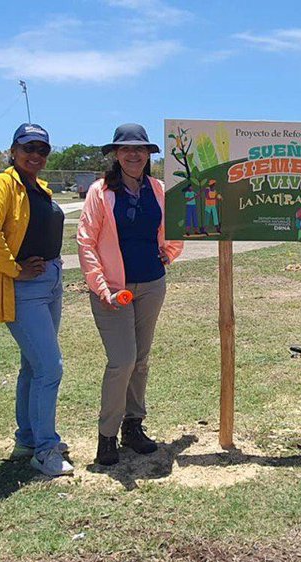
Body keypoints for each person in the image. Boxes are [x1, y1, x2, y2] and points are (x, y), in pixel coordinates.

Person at [76, 123, 183, 466]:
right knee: (122, 360)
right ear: (116, 155)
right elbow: (86, 241)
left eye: (140, 149)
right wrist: (101, 286)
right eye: (126, 149)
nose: (133, 154)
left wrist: (170, 252)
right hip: (112, 290)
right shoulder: (100, 192)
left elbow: (176, 227)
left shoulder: (159, 189)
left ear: (149, 154)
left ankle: (133, 426)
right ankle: (106, 436)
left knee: (141, 359)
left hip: (152, 284)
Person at [0, 123, 72, 477]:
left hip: (51, 280)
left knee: (33, 366)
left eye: (42, 150)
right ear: (13, 151)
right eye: (28, 148)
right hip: (25, 287)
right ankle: (45, 449)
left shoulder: (40, 187)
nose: (35, 155)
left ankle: (27, 439)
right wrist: (13, 269)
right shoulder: (3, 184)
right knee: (50, 367)